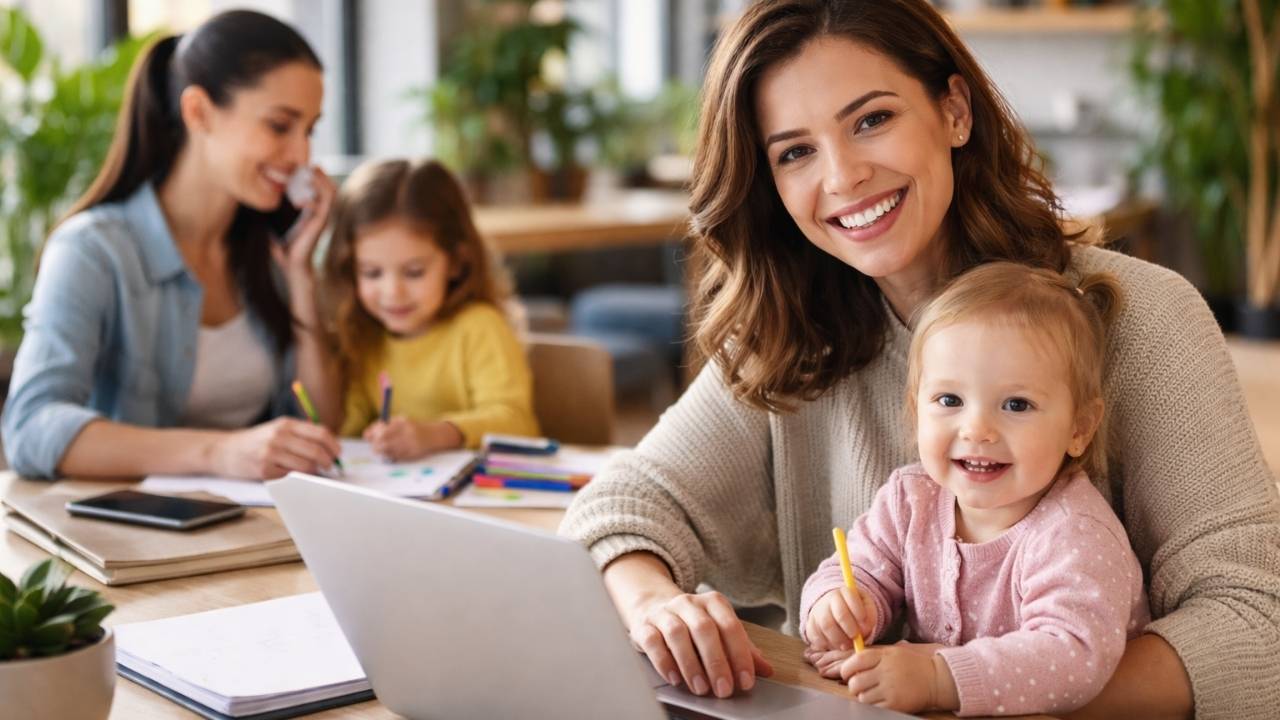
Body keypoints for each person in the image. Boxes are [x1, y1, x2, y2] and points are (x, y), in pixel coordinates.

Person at [559, 1, 1280, 717]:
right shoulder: (786, 339)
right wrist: (656, 605)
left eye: (872, 119)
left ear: (954, 111)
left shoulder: (1142, 317)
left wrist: (968, 691)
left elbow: (1257, 621)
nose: (842, 177)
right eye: (795, 151)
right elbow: (620, 508)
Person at [1, 10, 343, 480]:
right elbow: (31, 427)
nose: (301, 156)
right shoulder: (93, 250)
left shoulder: (271, 253)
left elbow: (320, 429)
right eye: (280, 126)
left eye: (310, 130)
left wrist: (302, 276)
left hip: (254, 532)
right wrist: (219, 453)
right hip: (125, 542)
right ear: (198, 112)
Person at [799, 263, 1149, 716]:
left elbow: (1070, 655)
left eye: (1016, 404)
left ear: (1079, 428)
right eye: (950, 400)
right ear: (916, 410)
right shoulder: (911, 499)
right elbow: (859, 569)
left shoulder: (1073, 532)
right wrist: (837, 607)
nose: (978, 429)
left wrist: (939, 678)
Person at [320, 158, 538, 459]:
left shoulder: (479, 327)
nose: (392, 292)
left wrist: (436, 434)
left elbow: (517, 423)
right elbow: (352, 427)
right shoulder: (364, 335)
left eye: (414, 272)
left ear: (456, 262)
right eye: (371, 273)